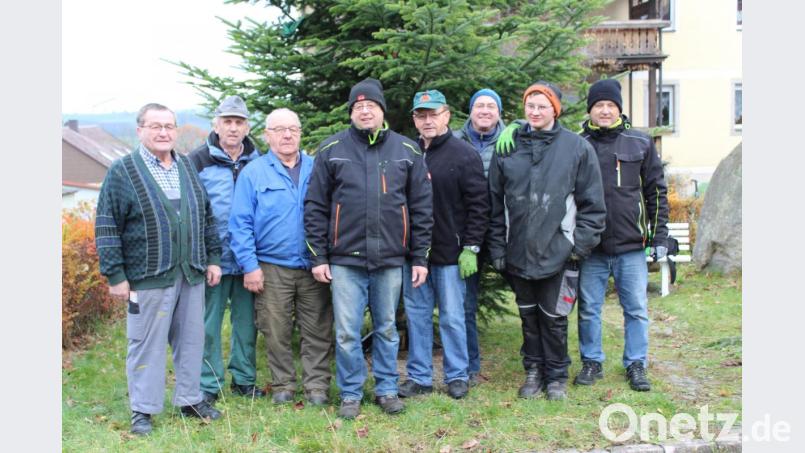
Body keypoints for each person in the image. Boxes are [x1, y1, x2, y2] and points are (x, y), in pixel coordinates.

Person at [304, 78, 433, 419]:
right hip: (345, 260)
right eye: (358, 107)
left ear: (382, 111)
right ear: (351, 113)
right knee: (347, 331)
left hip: (391, 258)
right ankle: (350, 393)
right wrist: (318, 255)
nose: (364, 111)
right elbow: (315, 205)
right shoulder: (331, 149)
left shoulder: (407, 151)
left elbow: (421, 207)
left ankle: (388, 389)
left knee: (387, 328)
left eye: (371, 106)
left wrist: (420, 256)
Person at [95, 103, 223, 435]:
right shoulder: (123, 171)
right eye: (155, 126)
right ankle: (143, 410)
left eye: (169, 126)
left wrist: (213, 258)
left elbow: (206, 217)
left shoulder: (187, 168)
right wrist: (116, 275)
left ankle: (190, 399)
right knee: (145, 343)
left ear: (176, 130)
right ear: (140, 130)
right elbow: (107, 226)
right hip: (147, 276)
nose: (163, 132)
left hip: (190, 272)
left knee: (193, 341)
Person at [487, 82, 606, 401]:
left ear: (555, 109)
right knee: (528, 316)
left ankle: (556, 377)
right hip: (518, 250)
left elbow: (592, 204)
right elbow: (494, 202)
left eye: (542, 106)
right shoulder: (507, 146)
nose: (535, 111)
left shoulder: (577, 148)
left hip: (559, 251)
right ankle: (533, 371)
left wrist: (578, 247)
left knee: (554, 319)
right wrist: (497, 247)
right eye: (530, 105)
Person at [229, 108, 334, 406]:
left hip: (314, 264)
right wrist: (250, 266)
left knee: (318, 327)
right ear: (267, 135)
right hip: (272, 266)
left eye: (293, 129)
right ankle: (283, 384)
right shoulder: (254, 173)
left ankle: (316, 387)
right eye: (279, 130)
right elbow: (240, 223)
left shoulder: (318, 168)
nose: (287, 135)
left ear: (300, 133)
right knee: (275, 329)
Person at [575, 78, 669, 392]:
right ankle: (591, 362)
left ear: (619, 109)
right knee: (589, 309)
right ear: (590, 109)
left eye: (610, 105)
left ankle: (636, 364)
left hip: (631, 246)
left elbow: (656, 193)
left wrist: (658, 237)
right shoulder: (577, 143)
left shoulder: (639, 143)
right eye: (598, 105)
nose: (604, 110)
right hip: (591, 247)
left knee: (636, 309)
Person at [399, 90, 489, 400]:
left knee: (453, 317)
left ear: (446, 116)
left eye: (433, 114)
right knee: (418, 316)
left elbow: (480, 204)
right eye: (421, 115)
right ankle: (420, 377)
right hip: (413, 256)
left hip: (451, 255)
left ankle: (457, 375)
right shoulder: (407, 152)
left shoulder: (464, 154)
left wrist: (472, 246)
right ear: (414, 119)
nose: (427, 120)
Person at [188, 95, 264, 403]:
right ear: (216, 124)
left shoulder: (259, 161)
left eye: (239, 122)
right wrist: (205, 257)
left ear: (247, 127)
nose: (233, 128)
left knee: (246, 324)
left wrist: (255, 261)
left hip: (249, 260)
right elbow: (192, 213)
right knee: (209, 324)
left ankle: (244, 379)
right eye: (227, 121)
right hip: (214, 260)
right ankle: (209, 382)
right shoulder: (196, 161)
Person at [452, 88, 506, 386]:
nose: (485, 110)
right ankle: (470, 366)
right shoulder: (456, 141)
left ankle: (535, 360)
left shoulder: (513, 139)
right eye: (479, 106)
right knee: (465, 303)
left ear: (499, 112)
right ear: (470, 111)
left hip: (502, 230)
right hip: (467, 232)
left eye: (491, 106)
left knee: (527, 297)